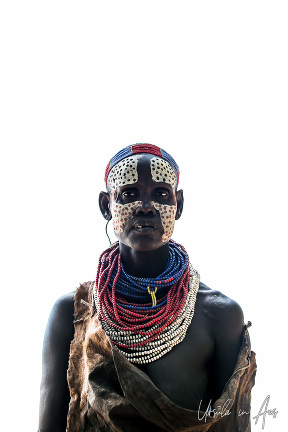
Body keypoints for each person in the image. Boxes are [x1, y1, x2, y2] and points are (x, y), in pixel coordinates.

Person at [38, 143, 256, 432]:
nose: (145, 206)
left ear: (178, 205)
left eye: (161, 194)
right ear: (107, 206)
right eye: (129, 194)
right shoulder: (73, 313)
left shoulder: (220, 316)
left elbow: (232, 426)